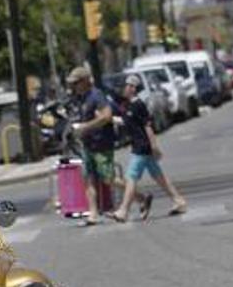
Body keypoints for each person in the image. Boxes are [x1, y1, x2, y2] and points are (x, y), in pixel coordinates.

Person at [110, 73, 187, 222]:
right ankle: (178, 201)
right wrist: (109, 118)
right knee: (159, 176)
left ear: (132, 88)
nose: (123, 89)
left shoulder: (139, 105)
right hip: (140, 146)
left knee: (130, 177)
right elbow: (127, 122)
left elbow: (148, 126)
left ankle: (123, 210)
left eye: (125, 86)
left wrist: (154, 145)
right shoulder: (130, 106)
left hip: (142, 147)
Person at [66, 64, 117, 226]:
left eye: (76, 82)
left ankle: (140, 198)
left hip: (102, 143)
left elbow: (107, 116)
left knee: (108, 179)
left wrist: (85, 127)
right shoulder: (81, 98)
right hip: (88, 144)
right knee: (88, 179)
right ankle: (93, 214)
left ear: (86, 81)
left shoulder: (97, 96)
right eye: (72, 83)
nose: (73, 86)